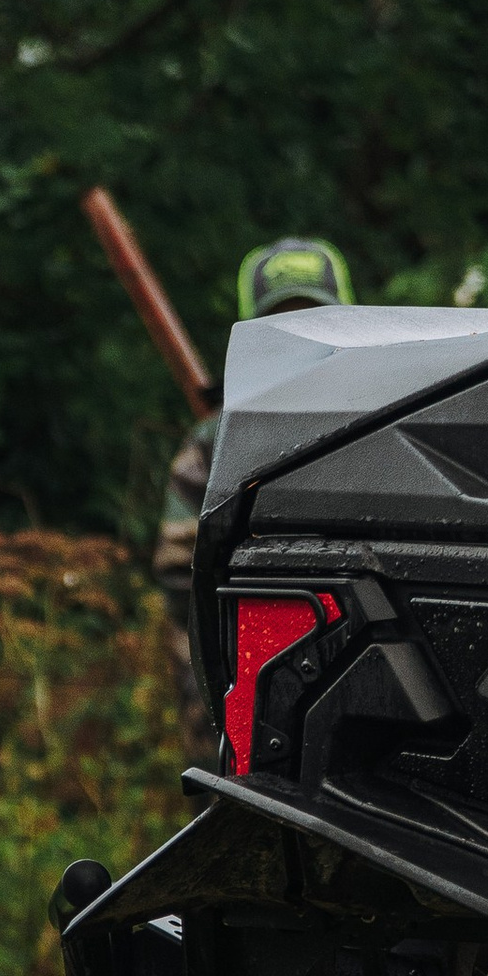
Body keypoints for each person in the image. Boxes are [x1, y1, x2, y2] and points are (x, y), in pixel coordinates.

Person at [153, 238, 356, 728]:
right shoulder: (215, 441)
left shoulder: (391, 420)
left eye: (315, 318)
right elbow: (181, 572)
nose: (301, 335)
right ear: (254, 333)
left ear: (351, 320)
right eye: (283, 323)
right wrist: (217, 691)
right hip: (248, 689)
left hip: (365, 676)